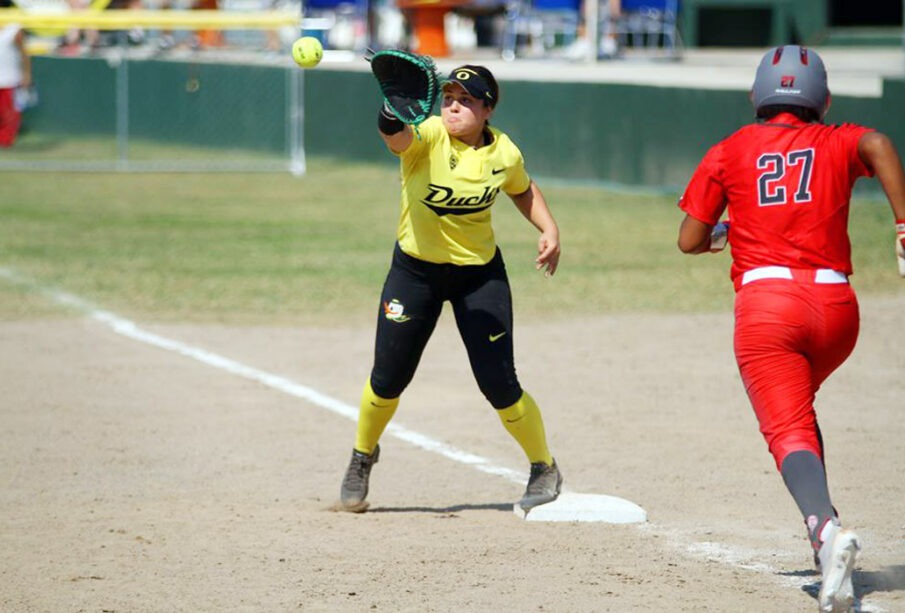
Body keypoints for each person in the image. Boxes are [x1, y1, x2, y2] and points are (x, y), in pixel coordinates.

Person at [677, 45, 905, 613]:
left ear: (758, 94)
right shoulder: (835, 140)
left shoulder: (729, 149)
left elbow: (688, 239)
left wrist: (730, 229)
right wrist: (904, 226)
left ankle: (828, 535)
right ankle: (821, 532)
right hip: (836, 308)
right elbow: (877, 144)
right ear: (821, 99)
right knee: (798, 417)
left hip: (769, 308)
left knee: (788, 431)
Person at [338, 64, 564, 515]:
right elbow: (395, 138)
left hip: (478, 276)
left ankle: (544, 467)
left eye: (466, 99)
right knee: (389, 378)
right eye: (449, 98)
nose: (454, 106)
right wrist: (391, 111)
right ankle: (363, 455)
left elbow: (520, 188)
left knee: (499, 383)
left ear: (487, 109)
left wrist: (549, 227)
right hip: (415, 273)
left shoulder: (504, 152)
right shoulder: (429, 135)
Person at [0, 17, 31, 148]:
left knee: (9, 114)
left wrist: (27, 74)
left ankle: (4, 141)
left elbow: (24, 54)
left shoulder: (13, 29)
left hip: (9, 80)